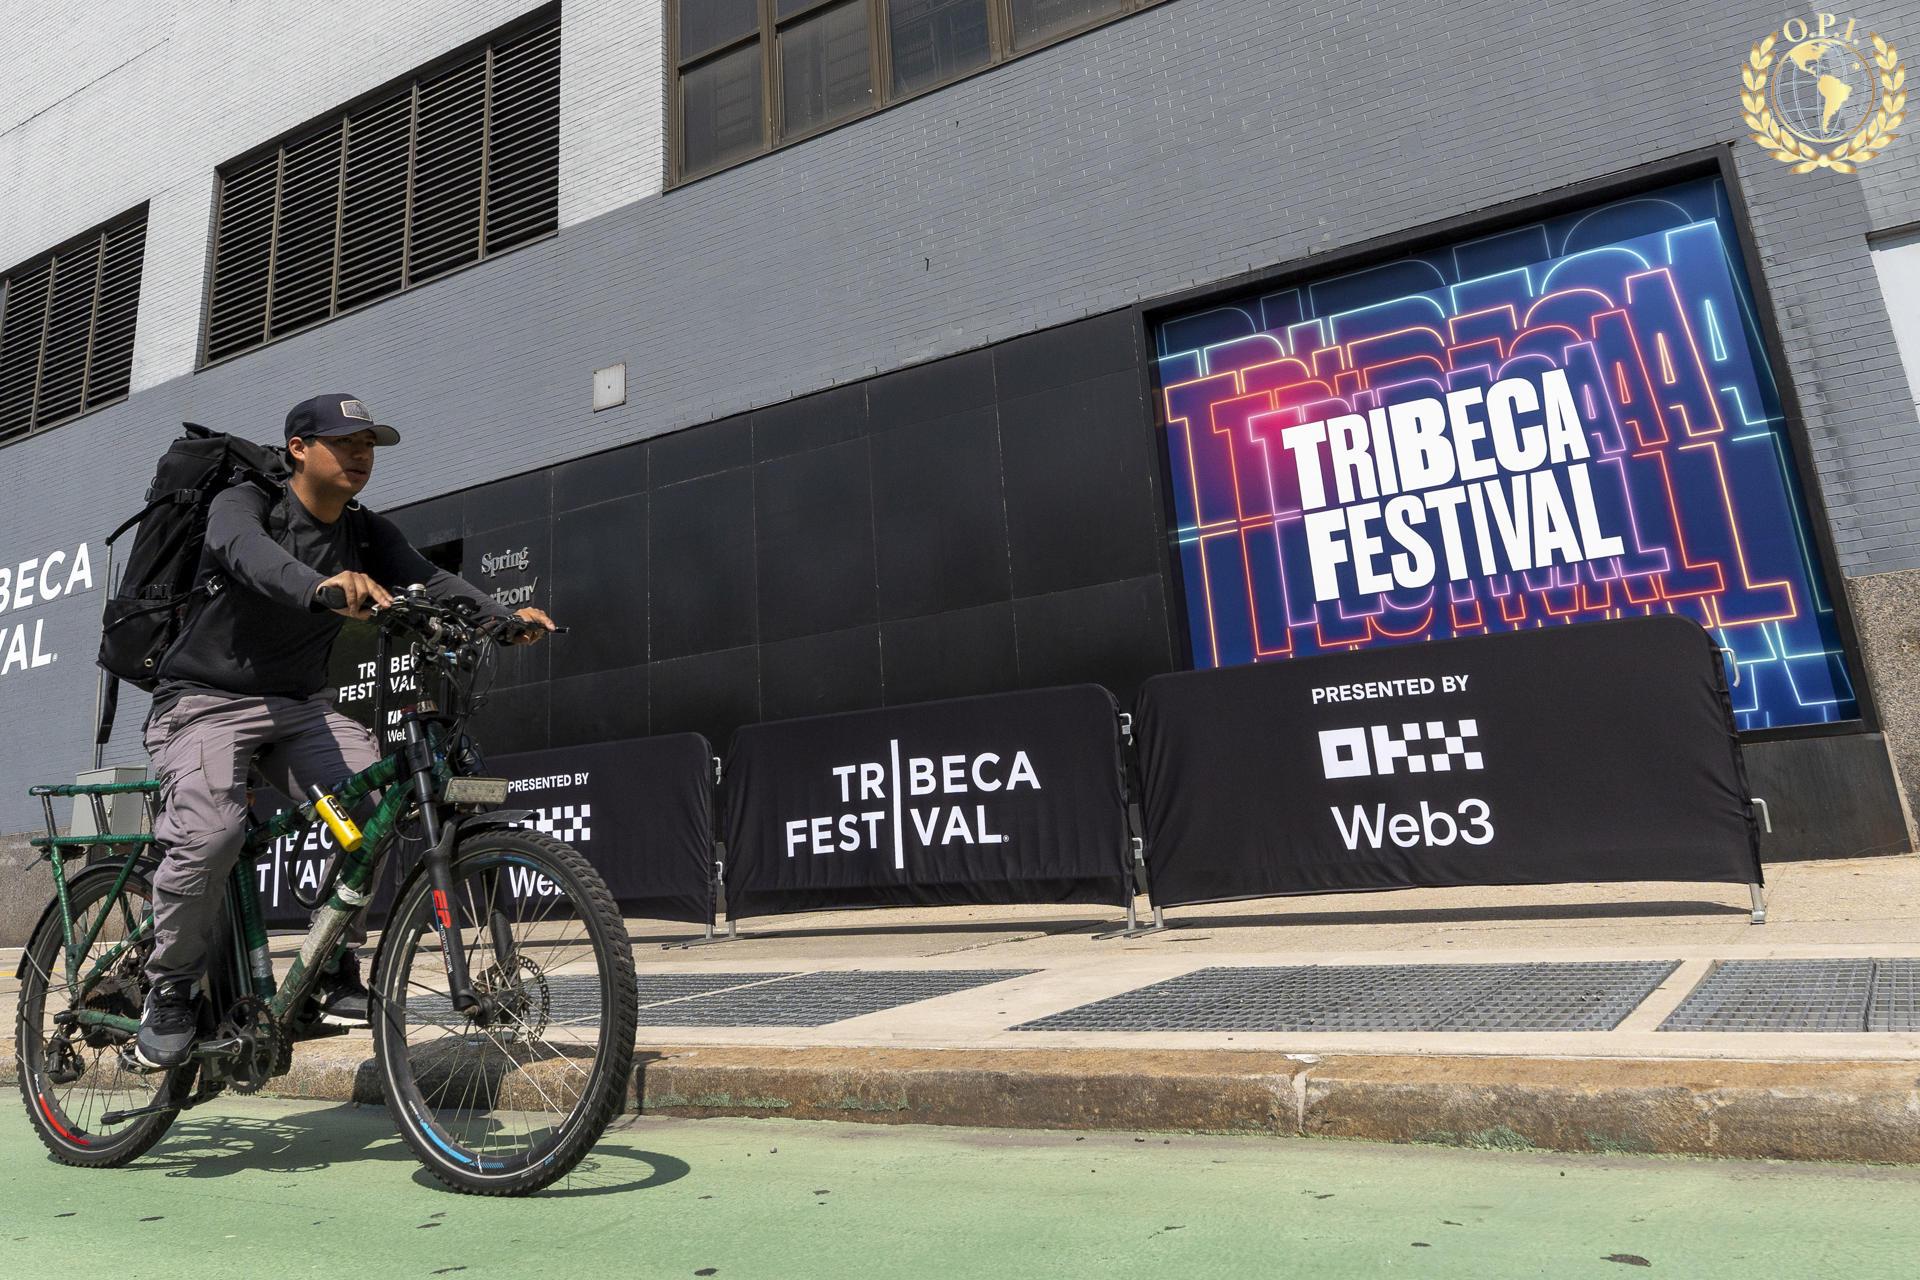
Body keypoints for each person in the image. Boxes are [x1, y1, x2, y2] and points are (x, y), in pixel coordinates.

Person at [134, 394, 552, 1069]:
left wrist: (497, 619)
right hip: (204, 702)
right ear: (299, 448)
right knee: (212, 835)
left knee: (374, 805)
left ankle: (328, 963)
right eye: (346, 442)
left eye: (369, 445)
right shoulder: (246, 503)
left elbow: (429, 578)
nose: (362, 455)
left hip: (299, 706)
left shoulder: (363, 531)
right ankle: (170, 989)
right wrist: (322, 587)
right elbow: (247, 555)